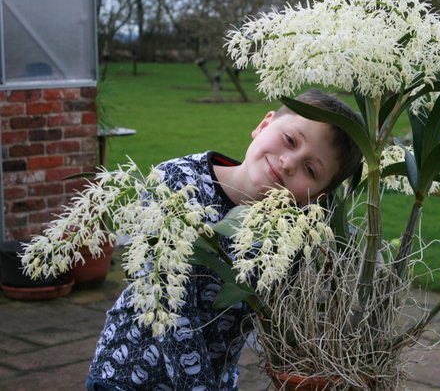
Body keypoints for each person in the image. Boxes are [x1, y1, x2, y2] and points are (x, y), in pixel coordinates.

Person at [86, 89, 363, 391]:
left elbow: (281, 320)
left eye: (310, 169)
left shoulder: (289, 236)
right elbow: (172, 314)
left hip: (216, 378)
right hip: (128, 375)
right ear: (264, 124)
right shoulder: (177, 185)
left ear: (316, 198)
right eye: (290, 140)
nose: (288, 162)